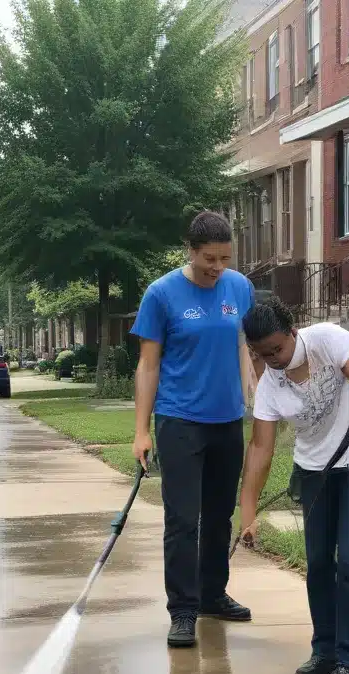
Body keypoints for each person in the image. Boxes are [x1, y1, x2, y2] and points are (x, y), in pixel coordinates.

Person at [239, 296, 349, 674]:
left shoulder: (327, 339)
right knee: (320, 562)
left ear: (292, 332)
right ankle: (325, 652)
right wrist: (248, 511)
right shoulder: (270, 385)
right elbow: (260, 450)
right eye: (261, 354)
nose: (272, 359)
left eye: (277, 349)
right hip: (314, 470)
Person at [131, 211, 255, 649]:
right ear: (191, 249)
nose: (217, 267)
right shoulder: (162, 293)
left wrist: (250, 388)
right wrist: (141, 430)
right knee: (183, 520)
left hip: (227, 420)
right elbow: (148, 364)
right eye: (209, 258)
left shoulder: (240, 287)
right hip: (179, 419)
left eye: (224, 258)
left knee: (219, 517)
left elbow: (242, 343)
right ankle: (182, 610)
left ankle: (212, 595)